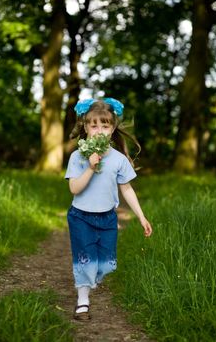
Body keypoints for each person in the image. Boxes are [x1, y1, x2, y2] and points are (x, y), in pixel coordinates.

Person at [65, 98, 153, 321]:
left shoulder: (118, 160)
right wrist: (90, 168)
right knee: (85, 260)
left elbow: (127, 190)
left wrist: (141, 217)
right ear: (85, 127)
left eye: (105, 126)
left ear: (112, 129)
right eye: (94, 125)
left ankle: (93, 276)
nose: (99, 131)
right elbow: (74, 188)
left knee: (107, 265)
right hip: (80, 217)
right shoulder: (77, 157)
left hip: (107, 219)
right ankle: (82, 302)